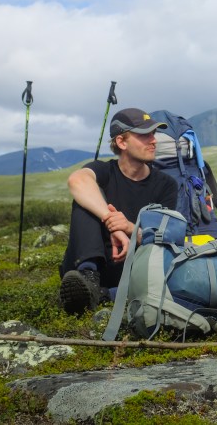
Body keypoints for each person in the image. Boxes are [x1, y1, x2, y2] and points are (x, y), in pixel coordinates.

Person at [58, 108, 178, 314]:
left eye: (153, 134)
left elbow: (162, 240)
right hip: (93, 264)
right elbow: (76, 180)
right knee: (84, 201)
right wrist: (111, 221)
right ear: (122, 142)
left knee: (158, 250)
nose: (154, 140)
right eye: (144, 135)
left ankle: (104, 295)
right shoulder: (104, 171)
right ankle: (89, 279)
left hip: (131, 267)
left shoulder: (166, 185)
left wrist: (129, 227)